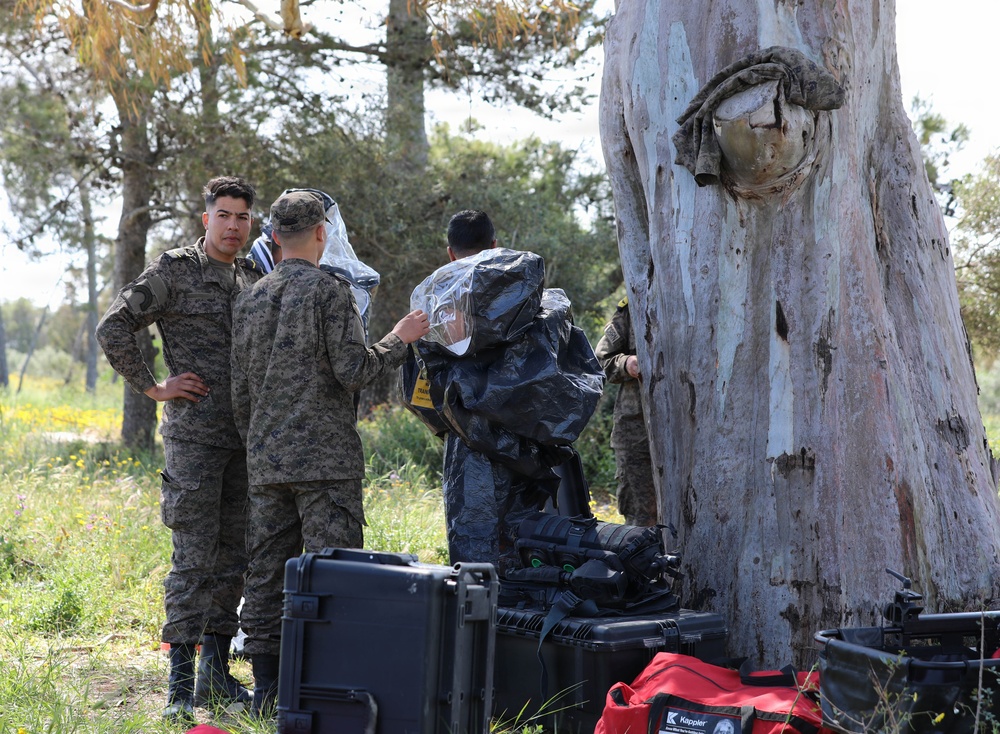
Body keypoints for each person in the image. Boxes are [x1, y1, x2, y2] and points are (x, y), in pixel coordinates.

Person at [229, 190, 430, 715]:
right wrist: (399, 338)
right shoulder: (331, 291)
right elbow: (354, 370)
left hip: (267, 461)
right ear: (321, 233)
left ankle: (267, 694)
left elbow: (239, 392)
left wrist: (261, 443)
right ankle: (325, 692)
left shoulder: (249, 297)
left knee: (268, 574)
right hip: (326, 466)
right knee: (333, 572)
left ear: (273, 235)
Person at [95, 176, 261, 722]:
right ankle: (179, 688)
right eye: (224, 215)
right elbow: (114, 327)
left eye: (242, 217)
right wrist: (153, 386)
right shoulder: (175, 271)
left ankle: (216, 675)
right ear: (205, 217)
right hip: (194, 439)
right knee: (192, 559)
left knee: (233, 557)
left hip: (245, 439)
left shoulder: (253, 274)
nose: (233, 226)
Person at [409, 209, 603, 577]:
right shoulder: (535, 298)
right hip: (533, 449)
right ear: (494, 245)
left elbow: (420, 386)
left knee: (476, 551)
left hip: (471, 452)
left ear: (450, 253)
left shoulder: (437, 306)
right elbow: (570, 370)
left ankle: (483, 627)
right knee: (533, 541)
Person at [594, 297, 658, 526]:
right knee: (642, 517)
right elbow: (601, 360)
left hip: (690, 430)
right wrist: (627, 363)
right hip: (636, 432)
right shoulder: (633, 305)